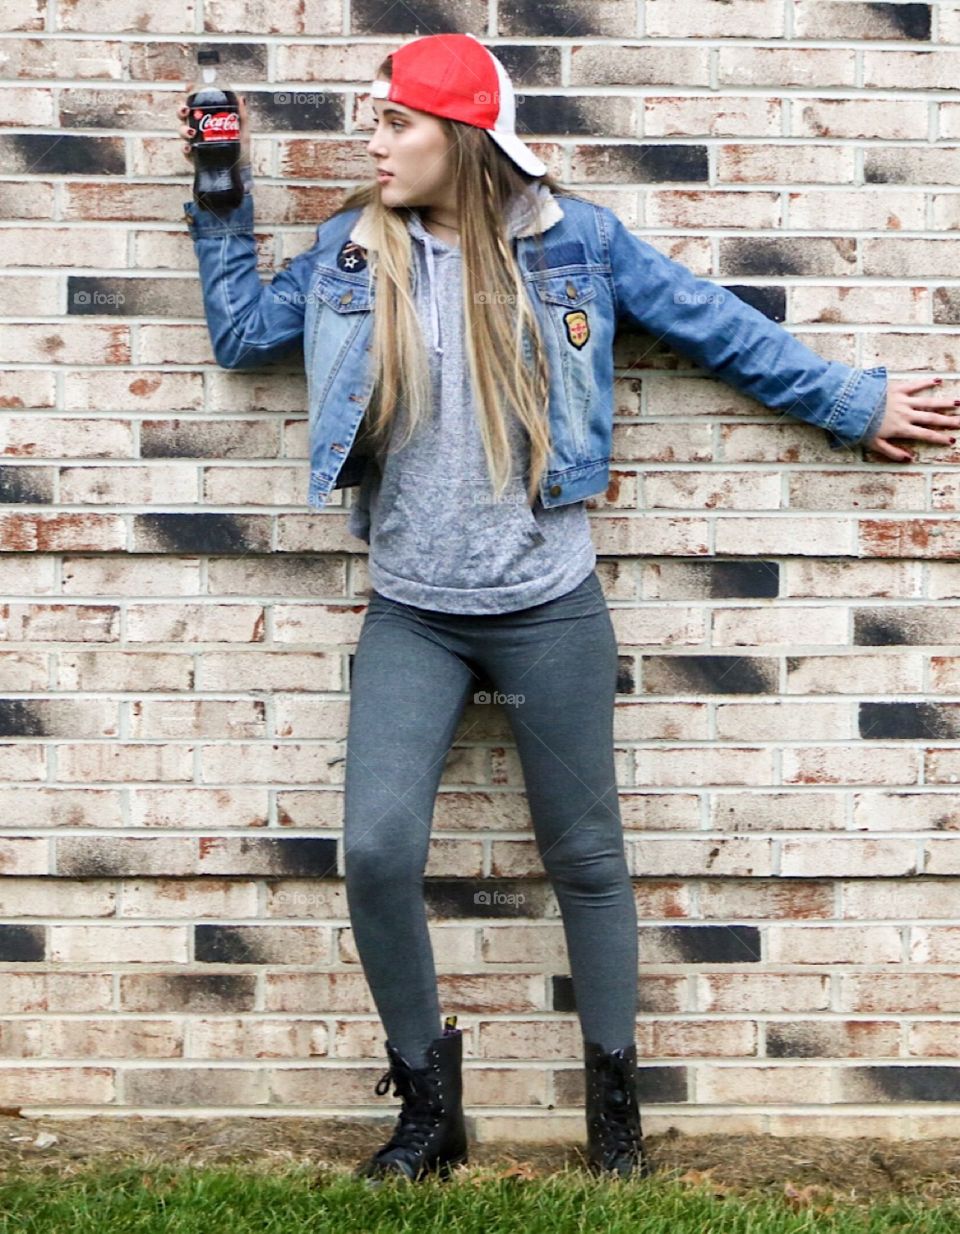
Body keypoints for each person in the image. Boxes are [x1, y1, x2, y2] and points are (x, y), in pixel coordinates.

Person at [178, 33, 960, 1185]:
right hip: (415, 610)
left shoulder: (575, 245)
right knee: (378, 851)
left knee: (588, 856)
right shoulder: (354, 251)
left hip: (549, 603)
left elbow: (711, 323)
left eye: (396, 122)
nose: (375, 141)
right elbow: (245, 334)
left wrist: (854, 399)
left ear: (463, 137)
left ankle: (614, 1118)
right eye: (374, 120)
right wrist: (217, 189)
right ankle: (430, 1107)